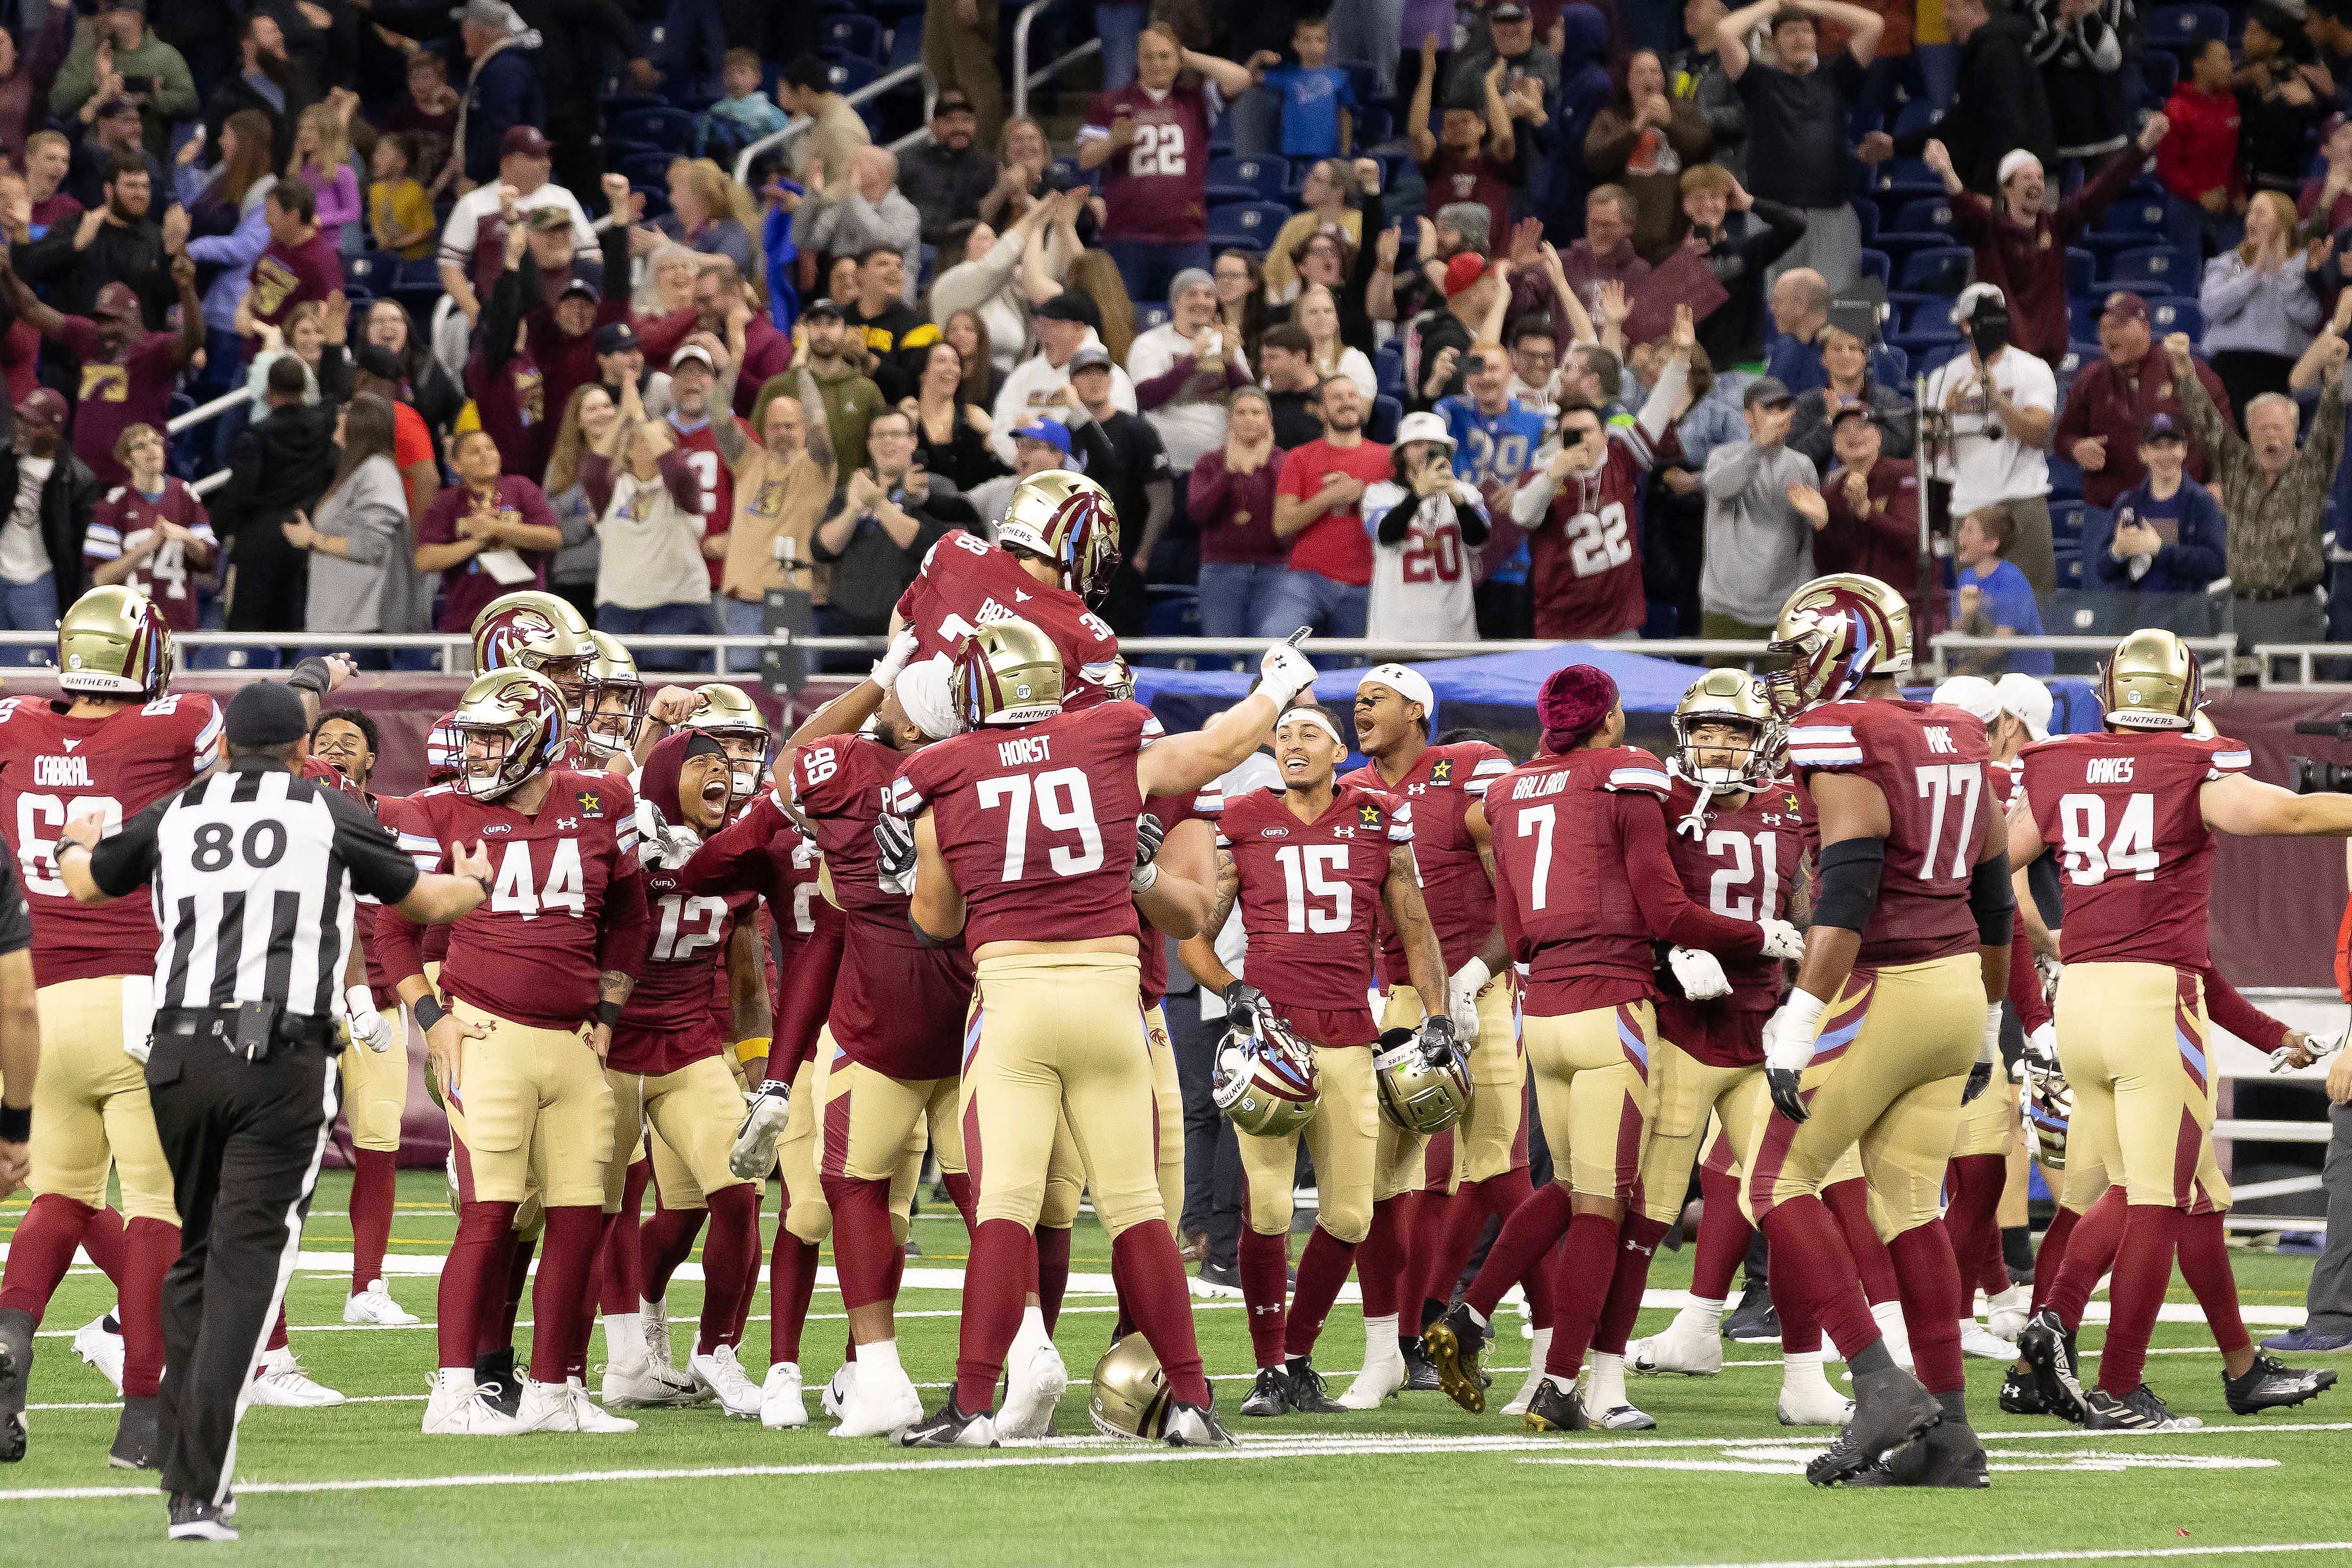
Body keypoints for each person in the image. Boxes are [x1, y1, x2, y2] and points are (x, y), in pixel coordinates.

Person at [48, 675, 482, 1539]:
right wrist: (470, 883)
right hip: (276, 1054)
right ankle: (198, 1487)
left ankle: (176, 1447)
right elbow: (424, 901)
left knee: (195, 1254)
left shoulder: (181, 808)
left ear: (224, 745)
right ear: (301, 749)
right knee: (247, 1269)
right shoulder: (322, 807)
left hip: (177, 1053)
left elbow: (87, 884)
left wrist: (72, 838)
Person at [891, 619, 1318, 1447]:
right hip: (1111, 996)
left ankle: (972, 1406)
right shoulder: (1110, 736)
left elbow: (935, 922)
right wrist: (1275, 683)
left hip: (1014, 999)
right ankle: (1190, 1401)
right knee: (1136, 1208)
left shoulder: (940, 772)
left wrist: (911, 865)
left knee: (1006, 1206)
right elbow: (1219, 749)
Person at [1423, 662, 1793, 1431]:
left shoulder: (1507, 790)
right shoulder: (1628, 773)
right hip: (1609, 1009)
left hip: (1541, 1013)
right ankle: (1562, 1386)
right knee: (1602, 1207)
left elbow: (1514, 925)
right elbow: (1666, 909)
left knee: (1565, 1186)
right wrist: (1758, 935)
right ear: (1612, 719)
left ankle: (1469, 1315)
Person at [2008, 628, 2351, 1433]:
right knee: (2148, 1199)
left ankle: (2239, 1368)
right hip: (2151, 1007)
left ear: (2108, 689)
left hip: (2077, 998)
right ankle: (2101, 1369)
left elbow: (1994, 855)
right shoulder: (2190, 766)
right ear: (2186, 694)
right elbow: (2288, 814)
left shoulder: (2057, 764)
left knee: (2183, 1196)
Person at [378, 665, 650, 1440]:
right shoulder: (437, 810)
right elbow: (394, 928)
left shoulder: (603, 801)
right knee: (490, 1214)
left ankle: (554, 1391)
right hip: (487, 1034)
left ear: (540, 737)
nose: (478, 753)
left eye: (496, 737)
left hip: (573, 1042)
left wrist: (609, 1012)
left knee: (579, 1218)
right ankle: (453, 1393)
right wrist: (431, 1018)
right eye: (476, 738)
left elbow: (630, 917)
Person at [1189, 704, 1448, 1418]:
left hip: (1347, 1036)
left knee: (1351, 1215)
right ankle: (1269, 1367)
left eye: (1309, 734)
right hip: (1272, 1040)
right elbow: (1194, 935)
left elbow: (1416, 927)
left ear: (1339, 752)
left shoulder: (1376, 817)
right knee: (1270, 1206)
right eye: (1283, 735)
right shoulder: (1242, 817)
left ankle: (1298, 1360)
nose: (1292, 744)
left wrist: (1437, 1014)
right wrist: (1232, 989)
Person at [1928, 116, 2168, 367]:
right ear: (2007, 188)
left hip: (2047, 362)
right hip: (2002, 359)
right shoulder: (1989, 230)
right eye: (2027, 178)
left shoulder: (2056, 226)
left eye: (2040, 178)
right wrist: (1946, 170)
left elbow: (2101, 189)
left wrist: (2143, 146)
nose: (2036, 184)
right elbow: (1962, 202)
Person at [2167, 326, 2344, 644]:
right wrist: (2184, 370)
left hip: (2297, 610)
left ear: (2294, 431)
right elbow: (2206, 421)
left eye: (2278, 428)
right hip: (2243, 611)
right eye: (2262, 429)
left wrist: (2332, 380)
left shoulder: (2312, 469)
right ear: (2249, 433)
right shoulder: (2236, 465)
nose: (2270, 436)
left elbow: (2329, 428)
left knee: (2295, 680)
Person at [1077, 26, 1260, 306]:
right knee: (1120, 319)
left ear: (1178, 60)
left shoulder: (1196, 101)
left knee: (1199, 314)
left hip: (1185, 237)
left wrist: (1188, 56)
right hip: (1125, 236)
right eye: (1149, 57)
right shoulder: (1111, 103)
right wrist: (1114, 142)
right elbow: (1085, 159)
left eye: (1165, 56)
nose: (1157, 64)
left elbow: (1241, 78)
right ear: (1138, 60)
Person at [1713, 0, 1884, 288]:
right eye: (1791, 32)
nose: (1800, 38)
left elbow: (1873, 25)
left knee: (1833, 304)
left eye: (1806, 31)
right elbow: (1724, 32)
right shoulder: (1758, 81)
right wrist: (1773, 4)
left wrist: (1808, 4)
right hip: (1772, 216)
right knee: (1774, 305)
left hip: (1832, 214)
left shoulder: (1836, 77)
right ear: (1773, 41)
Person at [3, 258, 198, 492]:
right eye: (101, 320)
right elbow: (31, 309)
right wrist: (6, 273)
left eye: (113, 320)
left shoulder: (156, 350)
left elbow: (193, 339)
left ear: (135, 319)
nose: (105, 329)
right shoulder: (89, 338)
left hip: (134, 480)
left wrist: (187, 289)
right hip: (85, 479)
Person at [1922, 284, 2060, 595]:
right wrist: (1946, 414)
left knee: (2034, 605)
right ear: (1965, 325)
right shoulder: (1942, 378)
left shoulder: (2032, 369)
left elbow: (2039, 435)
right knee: (1975, 611)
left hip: (2021, 501)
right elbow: (1930, 454)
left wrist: (1998, 400)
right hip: (1968, 505)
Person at [2053, 291, 2232, 510]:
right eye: (2104, 327)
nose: (2109, 334)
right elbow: (2063, 436)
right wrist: (2077, 448)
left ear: (2145, 328)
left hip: (2176, 507)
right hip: (2108, 509)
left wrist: (2219, 482)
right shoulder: (2092, 378)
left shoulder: (2186, 371)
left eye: (2118, 326)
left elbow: (2224, 437)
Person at [811, 407, 980, 638]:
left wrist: (878, 504)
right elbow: (821, 550)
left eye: (896, 434)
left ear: (913, 441)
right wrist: (853, 510)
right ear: (870, 444)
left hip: (906, 628)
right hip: (843, 623)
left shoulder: (932, 490)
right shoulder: (851, 492)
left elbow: (932, 546)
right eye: (880, 435)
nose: (887, 442)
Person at [593, 374, 720, 667]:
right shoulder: (612, 488)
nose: (645, 442)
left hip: (679, 608)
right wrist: (625, 416)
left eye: (654, 437)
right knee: (615, 686)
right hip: (618, 610)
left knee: (669, 685)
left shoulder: (683, 486)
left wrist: (640, 418)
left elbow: (677, 470)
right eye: (637, 439)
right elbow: (593, 469)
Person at [282, 394, 421, 644]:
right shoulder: (358, 470)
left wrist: (313, 539)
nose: (339, 414)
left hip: (362, 624)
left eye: (347, 410)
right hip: (338, 620)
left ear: (361, 423)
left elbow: (372, 546)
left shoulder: (378, 471)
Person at [213, 356, 333, 633]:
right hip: (306, 538)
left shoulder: (257, 435)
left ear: (268, 392)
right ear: (304, 389)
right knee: (296, 630)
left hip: (259, 541)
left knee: (249, 630)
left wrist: (217, 529)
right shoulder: (323, 428)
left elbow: (242, 490)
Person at [717, 392, 835, 667]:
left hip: (794, 601)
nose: (782, 433)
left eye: (789, 426)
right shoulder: (748, 461)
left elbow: (821, 430)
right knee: (739, 688)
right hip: (741, 602)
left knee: (798, 691)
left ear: (804, 428)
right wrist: (733, 367)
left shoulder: (819, 467)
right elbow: (717, 414)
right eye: (775, 427)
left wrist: (804, 373)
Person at [436, 126, 591, 328]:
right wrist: (475, 313)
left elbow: (590, 256)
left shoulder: (563, 199)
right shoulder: (473, 204)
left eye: (546, 156)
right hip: (498, 316)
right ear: (508, 163)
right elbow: (450, 265)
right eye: (535, 158)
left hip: (560, 316)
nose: (546, 163)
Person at [1702, 376, 1821, 639]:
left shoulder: (1803, 466)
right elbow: (1720, 487)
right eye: (1768, 409)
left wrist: (1821, 520)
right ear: (1748, 417)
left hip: (1785, 610)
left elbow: (1809, 536)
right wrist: (1759, 447)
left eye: (1783, 408)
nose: (1777, 417)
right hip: (1724, 608)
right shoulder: (1723, 456)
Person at [415, 428, 565, 635]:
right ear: (457, 465)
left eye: (491, 448)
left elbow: (553, 538)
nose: (486, 455)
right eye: (475, 452)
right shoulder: (446, 502)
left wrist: (496, 528)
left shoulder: (521, 488)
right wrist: (477, 542)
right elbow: (424, 560)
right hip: (467, 624)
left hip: (528, 621)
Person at [1271, 375, 1389, 637]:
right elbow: (1282, 524)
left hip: (1367, 581)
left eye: (1352, 395)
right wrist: (1329, 497)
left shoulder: (1388, 458)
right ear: (1322, 412)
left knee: (1355, 662)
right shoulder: (1299, 458)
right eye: (1337, 398)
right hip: (1307, 580)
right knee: (1272, 647)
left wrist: (1362, 495)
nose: (1347, 402)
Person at [1896, 0, 2054, 197]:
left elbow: (2007, 129)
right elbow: (1959, 126)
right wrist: (1896, 147)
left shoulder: (1998, 53)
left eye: (1951, 6)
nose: (1945, 15)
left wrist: (1986, 190)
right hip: (2004, 186)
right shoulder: (1982, 52)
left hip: (2017, 192)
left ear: (1975, 7)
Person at [1361, 411, 1490, 641]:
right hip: (1396, 634)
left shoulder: (1466, 493)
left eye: (1433, 445)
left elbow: (1479, 538)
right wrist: (1418, 494)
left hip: (1455, 632)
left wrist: (1457, 499)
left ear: (1446, 451)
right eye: (1417, 445)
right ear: (1401, 453)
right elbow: (1386, 536)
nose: (1425, 451)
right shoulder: (1379, 493)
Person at [15, 147, 175, 327]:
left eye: (145, 187)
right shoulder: (76, 226)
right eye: (131, 186)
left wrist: (175, 254)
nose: (140, 194)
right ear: (109, 190)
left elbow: (171, 297)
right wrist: (75, 245)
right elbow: (33, 267)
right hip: (78, 339)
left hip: (138, 340)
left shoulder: (156, 237)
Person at [2089, 414, 2227, 623]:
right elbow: (2103, 569)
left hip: (2186, 625)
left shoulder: (2201, 502)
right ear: (2143, 453)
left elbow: (2217, 563)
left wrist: (2160, 550)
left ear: (2184, 450)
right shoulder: (2128, 504)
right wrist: (2118, 552)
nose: (2165, 455)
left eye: (2172, 446)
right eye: (2157, 447)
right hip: (2136, 626)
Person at [2201, 190, 2325, 415]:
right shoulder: (2227, 263)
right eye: (2249, 214)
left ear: (2282, 223)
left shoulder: (2303, 264)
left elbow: (2310, 317)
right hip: (2229, 364)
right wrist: (2254, 273)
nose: (2250, 221)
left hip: (2284, 368)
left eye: (2260, 214)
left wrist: (2281, 272)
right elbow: (2211, 308)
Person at [84, 422, 215, 632]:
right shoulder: (114, 503)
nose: (152, 450)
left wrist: (186, 536)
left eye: (156, 442)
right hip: (130, 628)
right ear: (127, 460)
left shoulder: (185, 495)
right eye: (141, 446)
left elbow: (209, 560)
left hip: (178, 624)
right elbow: (100, 578)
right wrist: (147, 547)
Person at [1585, 49, 1713, 259]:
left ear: (1664, 79)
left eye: (1655, 72)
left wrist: (1670, 124)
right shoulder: (1610, 117)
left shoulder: (1683, 110)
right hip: (1624, 238)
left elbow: (1703, 150)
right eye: (1640, 72)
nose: (1648, 78)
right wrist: (1636, 128)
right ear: (1628, 81)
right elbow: (1595, 161)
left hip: (1674, 232)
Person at [1680, 163, 1808, 373]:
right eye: (1699, 198)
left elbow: (1796, 225)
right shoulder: (1672, 258)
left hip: (1744, 366)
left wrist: (1750, 202)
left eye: (1715, 197)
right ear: (1686, 205)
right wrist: (1682, 262)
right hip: (1695, 369)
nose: (1707, 205)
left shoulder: (1749, 250)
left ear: (1727, 202)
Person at [1129, 268, 1253, 481]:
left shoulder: (1226, 343)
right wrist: (1192, 360)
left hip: (1223, 466)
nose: (1202, 302)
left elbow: (1250, 399)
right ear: (1176, 302)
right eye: (1192, 294)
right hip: (1169, 467)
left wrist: (1230, 363)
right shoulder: (1149, 343)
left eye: (1209, 295)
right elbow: (1147, 398)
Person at [0, 388, 100, 645]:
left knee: (39, 663)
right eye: (20, 419)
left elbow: (80, 553)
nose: (22, 429)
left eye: (33, 424)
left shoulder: (78, 480)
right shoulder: (4, 461)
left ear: (55, 431)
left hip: (40, 583)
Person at [987, 291, 1135, 463]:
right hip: (1027, 473)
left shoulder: (1111, 376)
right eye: (1041, 326)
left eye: (1053, 326)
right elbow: (1000, 431)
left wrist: (1060, 465)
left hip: (1089, 473)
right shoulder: (1024, 374)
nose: (1043, 335)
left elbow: (1117, 437)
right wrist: (1030, 464)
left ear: (1078, 329)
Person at [1190, 387, 1290, 638]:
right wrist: (1229, 471)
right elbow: (1198, 513)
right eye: (1241, 413)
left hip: (1274, 569)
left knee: (1268, 651)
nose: (1249, 419)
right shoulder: (1209, 463)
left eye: (1256, 413)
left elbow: (1290, 514)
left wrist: (1265, 466)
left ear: (1269, 420)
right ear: (1229, 420)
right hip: (1221, 569)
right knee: (1221, 650)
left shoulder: (1286, 462)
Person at [1411, 35, 1517, 256]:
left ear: (1482, 127)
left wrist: (1490, 86)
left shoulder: (1492, 163)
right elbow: (1417, 132)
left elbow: (1506, 137)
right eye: (1450, 124)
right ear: (1442, 134)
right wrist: (1428, 74)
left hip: (1490, 261)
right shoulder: (1437, 164)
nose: (1458, 127)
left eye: (1465, 121)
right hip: (1443, 262)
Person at [52, 0, 197, 162]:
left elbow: (189, 103)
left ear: (134, 16)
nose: (102, 17)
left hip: (145, 158)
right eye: (100, 11)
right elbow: (58, 102)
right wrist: (96, 83)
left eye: (110, 11)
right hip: (89, 158)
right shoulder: (85, 56)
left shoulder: (165, 57)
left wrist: (151, 97)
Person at [1816, 405, 1922, 621]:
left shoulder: (1906, 473)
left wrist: (1867, 511)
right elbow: (1830, 567)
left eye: (1862, 426)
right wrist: (1822, 526)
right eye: (1844, 430)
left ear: (1879, 437)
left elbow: (1912, 538)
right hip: (1857, 609)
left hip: (1905, 603)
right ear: (1836, 445)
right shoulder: (1832, 492)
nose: (1853, 434)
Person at [452, 0, 545, 191]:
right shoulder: (495, 65)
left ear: (483, 31)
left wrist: (474, 174)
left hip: (506, 182)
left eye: (466, 26)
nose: (462, 33)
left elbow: (500, 127)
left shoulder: (505, 68)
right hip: (497, 178)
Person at [1950, 507, 2052, 675]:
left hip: (2027, 675)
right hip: (1987, 673)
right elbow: (1959, 633)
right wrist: (1967, 614)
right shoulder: (1966, 578)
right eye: (1962, 528)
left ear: (1991, 544)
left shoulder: (2012, 580)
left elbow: (1999, 645)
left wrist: (1966, 670)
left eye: (1970, 530)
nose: (1960, 535)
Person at [900, 90, 996, 248]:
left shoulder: (988, 167)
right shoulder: (908, 161)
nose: (960, 128)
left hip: (967, 250)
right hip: (917, 247)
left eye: (966, 120)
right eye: (950, 121)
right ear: (933, 126)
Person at [839, 245, 936, 403]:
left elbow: (914, 389)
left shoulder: (920, 326)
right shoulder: (837, 320)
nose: (894, 270)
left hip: (893, 413)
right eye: (883, 264)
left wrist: (866, 358)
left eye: (899, 266)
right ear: (859, 274)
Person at [1263, 13, 1356, 157]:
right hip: (1292, 151)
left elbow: (1346, 115)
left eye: (1320, 40)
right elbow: (1248, 78)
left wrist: (1345, 153)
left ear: (1328, 44)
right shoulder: (1287, 75)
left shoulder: (1339, 77)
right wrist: (1258, 58)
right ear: (1295, 44)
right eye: (1307, 40)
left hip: (1327, 151)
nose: (1314, 46)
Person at [366, 132, 436, 260]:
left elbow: (425, 231)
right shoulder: (375, 189)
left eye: (383, 154)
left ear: (401, 162)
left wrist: (395, 245)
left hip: (416, 261)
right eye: (377, 153)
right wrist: (382, 239)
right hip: (386, 258)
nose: (375, 158)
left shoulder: (416, 192)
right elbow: (375, 222)